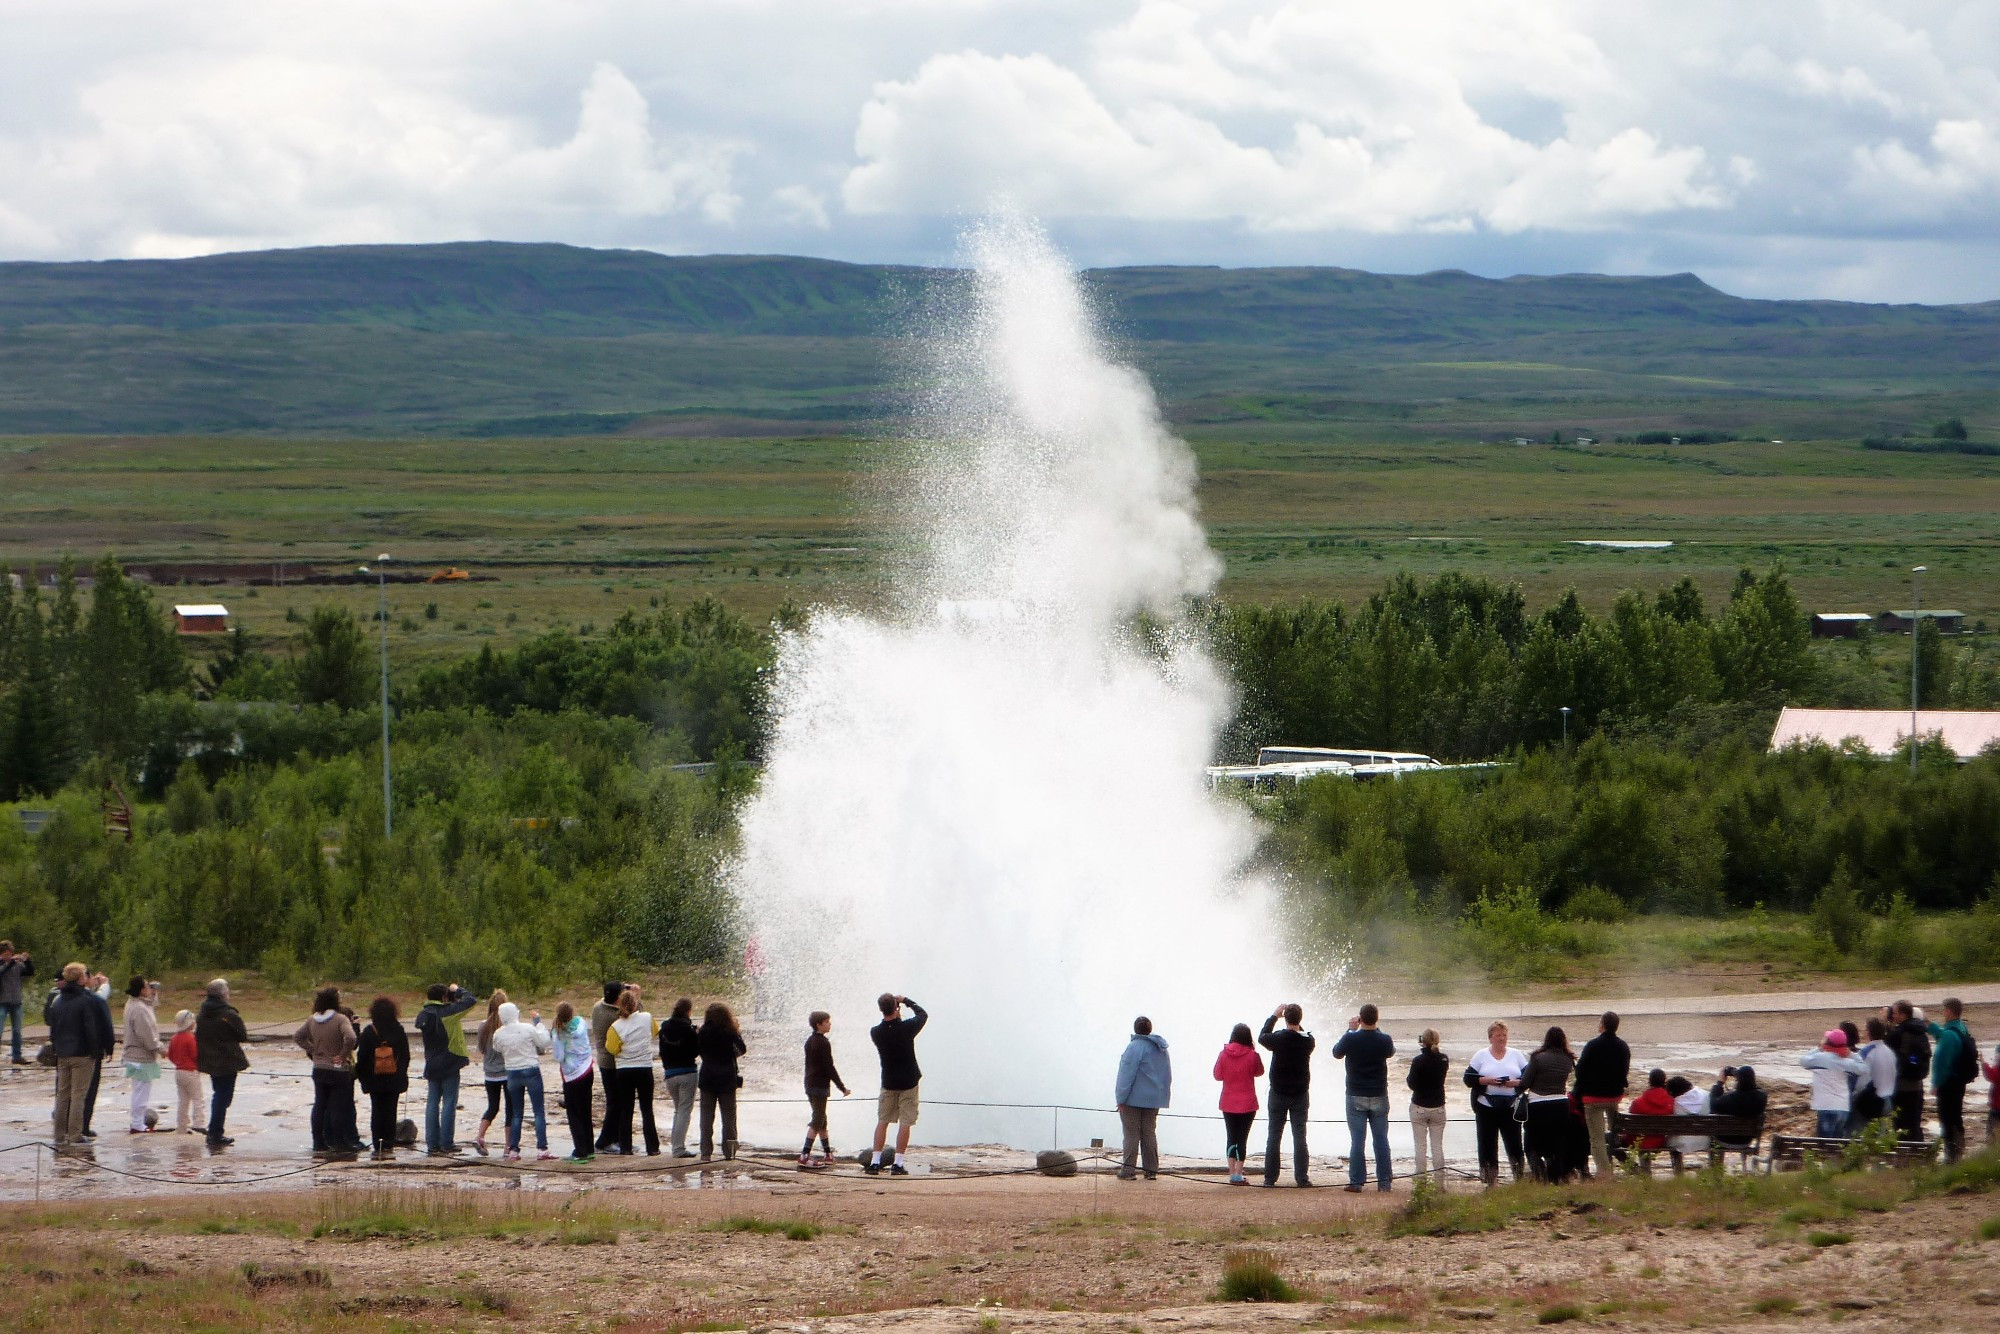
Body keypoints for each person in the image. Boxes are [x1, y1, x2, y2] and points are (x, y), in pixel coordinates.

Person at [47, 963, 114, 1148]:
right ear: (80, 979)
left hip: (62, 1053)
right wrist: (99, 1050)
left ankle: (59, 1133)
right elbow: (90, 1028)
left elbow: (54, 1029)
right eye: (84, 975)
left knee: (62, 1095)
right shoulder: (87, 1000)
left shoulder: (58, 1000)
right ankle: (75, 1134)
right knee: (78, 1095)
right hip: (82, 1054)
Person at [1333, 1003, 1394, 1193]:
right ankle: (1384, 1182)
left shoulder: (1352, 1038)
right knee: (1381, 1139)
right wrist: (1376, 1028)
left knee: (1357, 1140)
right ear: (1377, 1019)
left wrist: (1350, 1030)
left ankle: (1357, 1182)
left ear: (1360, 1019)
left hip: (1355, 1093)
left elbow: (1336, 1053)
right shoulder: (1384, 1039)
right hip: (1378, 1093)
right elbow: (1390, 1052)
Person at [295, 986, 362, 1156]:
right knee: (337, 1106)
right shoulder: (340, 1019)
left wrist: (313, 1050)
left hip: (318, 1068)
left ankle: (318, 1142)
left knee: (319, 1105)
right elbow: (351, 1038)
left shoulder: (312, 1019)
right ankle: (339, 1142)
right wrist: (342, 1055)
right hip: (337, 1069)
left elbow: (298, 1036)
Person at [414, 982, 476, 1156]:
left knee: (432, 1102)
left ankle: (432, 1144)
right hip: (450, 1061)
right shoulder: (448, 1012)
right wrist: (457, 990)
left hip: (431, 1062)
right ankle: (446, 1143)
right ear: (443, 997)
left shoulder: (423, 1014)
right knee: (449, 1102)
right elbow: (471, 1000)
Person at [868, 993, 926, 1176]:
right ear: (897, 1008)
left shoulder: (876, 1032)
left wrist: (897, 1009)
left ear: (880, 1010)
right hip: (909, 1082)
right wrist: (907, 1000)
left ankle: (875, 1162)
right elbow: (923, 1015)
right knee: (905, 1123)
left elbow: (891, 1026)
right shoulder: (906, 1028)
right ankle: (898, 1164)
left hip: (888, 1082)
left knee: (883, 1121)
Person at [1259, 1002, 1315, 1187]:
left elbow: (1262, 1037)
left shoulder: (1278, 1039)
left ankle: (1270, 1178)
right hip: (1300, 1093)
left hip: (1278, 1092)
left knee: (1274, 1135)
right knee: (1300, 1136)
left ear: (1286, 1018)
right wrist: (1297, 1023)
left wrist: (1274, 1016)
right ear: (1300, 1020)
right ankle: (1301, 1178)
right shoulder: (1308, 1041)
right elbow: (1303, 1033)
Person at [492, 1001, 555, 1161]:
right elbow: (544, 1042)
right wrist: (539, 1024)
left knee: (516, 1113)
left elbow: (497, 1048)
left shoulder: (498, 1033)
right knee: (538, 1111)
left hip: (512, 1072)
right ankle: (542, 1148)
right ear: (516, 1013)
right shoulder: (527, 1028)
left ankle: (514, 1150)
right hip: (531, 1069)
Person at [1467, 1021, 1527, 1186]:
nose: (1502, 1038)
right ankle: (1489, 1180)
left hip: (1510, 1106)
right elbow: (1468, 1079)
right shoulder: (1481, 1055)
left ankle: (1519, 1178)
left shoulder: (1516, 1055)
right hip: (1486, 1105)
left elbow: (1528, 1078)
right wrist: (1487, 1080)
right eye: (1498, 1035)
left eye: (1504, 1035)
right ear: (1490, 1038)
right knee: (1487, 1144)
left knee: (1514, 1143)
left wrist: (1514, 1083)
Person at [1573, 1011, 1631, 1178]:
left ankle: (1604, 1172)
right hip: (1614, 1097)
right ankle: (1625, 1163)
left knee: (1597, 1138)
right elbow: (1624, 1071)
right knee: (1614, 1134)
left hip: (1593, 1098)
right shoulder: (1623, 1046)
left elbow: (1580, 1071)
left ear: (1603, 1025)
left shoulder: (1593, 1045)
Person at [1114, 1016, 1172, 1182]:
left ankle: (1128, 1171)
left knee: (1131, 1134)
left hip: (1133, 1099)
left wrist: (1121, 1098)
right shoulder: (1161, 1048)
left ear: (1135, 1029)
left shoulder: (1134, 1047)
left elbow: (1126, 1075)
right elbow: (1166, 1075)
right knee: (1149, 1133)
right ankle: (1151, 1170)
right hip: (1154, 1099)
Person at [355, 995, 411, 1160]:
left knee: (377, 1111)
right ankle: (388, 1145)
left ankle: (377, 1144)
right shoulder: (399, 1030)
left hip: (375, 1080)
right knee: (391, 1112)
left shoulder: (368, 1032)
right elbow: (405, 1056)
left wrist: (364, 1079)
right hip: (394, 1079)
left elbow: (362, 1058)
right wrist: (400, 1072)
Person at [195, 978, 248, 1148]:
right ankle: (215, 1133)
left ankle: (215, 1130)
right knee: (222, 1097)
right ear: (224, 994)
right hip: (226, 1061)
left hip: (210, 1061)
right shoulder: (228, 1015)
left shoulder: (202, 1014)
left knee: (219, 1094)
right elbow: (242, 1035)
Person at [609, 987, 661, 1156]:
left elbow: (612, 1049)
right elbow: (654, 1032)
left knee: (626, 1109)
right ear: (636, 1003)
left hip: (624, 1069)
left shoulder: (615, 1026)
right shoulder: (647, 1018)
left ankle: (625, 1147)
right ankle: (652, 1147)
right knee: (647, 1108)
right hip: (644, 1067)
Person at [1520, 1026, 1576, 1183]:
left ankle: (1539, 1174)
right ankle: (1555, 1178)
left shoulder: (1537, 1058)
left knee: (1531, 1144)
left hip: (1538, 1104)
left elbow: (1525, 1083)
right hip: (1561, 1104)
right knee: (1557, 1144)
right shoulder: (1568, 1059)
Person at [1927, 997, 1977, 1164]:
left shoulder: (1949, 1035)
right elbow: (1944, 1034)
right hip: (1959, 1081)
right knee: (1956, 1115)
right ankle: (1958, 1149)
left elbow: (1941, 1062)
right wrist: (1931, 1026)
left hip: (1948, 1083)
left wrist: (1935, 1084)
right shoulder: (1961, 1028)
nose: (1943, 1012)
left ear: (1949, 1011)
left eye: (1944, 1009)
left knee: (1947, 1119)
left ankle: (1952, 1154)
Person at [1213, 1022, 1264, 1185]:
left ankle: (1230, 1172)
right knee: (1242, 1138)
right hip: (1247, 1103)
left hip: (1228, 1101)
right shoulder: (1252, 1055)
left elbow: (1217, 1075)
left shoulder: (1223, 1054)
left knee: (1231, 1137)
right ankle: (1238, 1173)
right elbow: (1259, 1072)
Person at [801, 1010, 850, 1168]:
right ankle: (804, 1155)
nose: (830, 1024)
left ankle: (828, 1154)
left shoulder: (810, 1041)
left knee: (822, 1120)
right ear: (819, 1024)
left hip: (809, 1083)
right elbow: (829, 1067)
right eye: (827, 1022)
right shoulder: (823, 1043)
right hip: (819, 1085)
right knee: (817, 1120)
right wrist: (842, 1087)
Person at [698, 1000, 747, 1161]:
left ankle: (705, 1152)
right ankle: (730, 1152)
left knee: (706, 1117)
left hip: (707, 1076)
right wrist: (737, 1032)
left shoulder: (703, 1031)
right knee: (729, 1118)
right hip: (727, 1077)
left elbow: (699, 1051)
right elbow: (741, 1050)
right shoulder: (730, 1032)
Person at [551, 1001, 596, 1163]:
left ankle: (580, 1152)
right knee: (585, 1110)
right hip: (587, 1069)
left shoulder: (557, 1033)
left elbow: (559, 1057)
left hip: (572, 1076)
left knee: (574, 1113)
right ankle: (590, 1148)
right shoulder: (581, 1023)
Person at [1801, 1028, 1867, 1139]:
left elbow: (1803, 1060)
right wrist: (1851, 1054)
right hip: (1842, 1106)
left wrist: (1818, 1049)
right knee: (1837, 1141)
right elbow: (1863, 1068)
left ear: (1827, 1044)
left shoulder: (1819, 1058)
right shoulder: (1846, 1063)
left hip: (1824, 1105)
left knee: (1824, 1142)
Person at [1883, 1000, 1931, 1141]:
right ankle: (1919, 1153)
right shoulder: (1920, 1030)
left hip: (1902, 1085)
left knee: (1900, 1124)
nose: (1893, 1015)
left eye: (1895, 1013)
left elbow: (1885, 1043)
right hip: (1917, 1084)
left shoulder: (1900, 1032)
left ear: (1903, 1015)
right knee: (1914, 1122)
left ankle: (1904, 1156)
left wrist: (1887, 1022)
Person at [659, 997, 700, 1158]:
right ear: (688, 1011)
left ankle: (676, 1145)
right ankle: (678, 1148)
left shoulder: (664, 1028)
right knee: (684, 1111)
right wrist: (696, 1034)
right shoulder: (688, 1029)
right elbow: (695, 1052)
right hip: (687, 1072)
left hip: (670, 1074)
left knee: (678, 1110)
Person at [1406, 1028, 1449, 1180]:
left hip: (1419, 1105)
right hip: (1438, 1106)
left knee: (1420, 1147)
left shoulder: (1418, 1060)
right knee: (1437, 1147)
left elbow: (1411, 1084)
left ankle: (1420, 1182)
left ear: (1422, 1042)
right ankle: (1439, 1181)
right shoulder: (1444, 1059)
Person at [122, 977, 163, 1133]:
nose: (149, 988)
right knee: (141, 1092)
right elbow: (146, 1034)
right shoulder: (138, 1009)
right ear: (141, 990)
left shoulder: (136, 1003)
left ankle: (137, 1122)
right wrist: (159, 1048)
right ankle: (137, 1123)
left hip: (137, 1056)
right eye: (147, 986)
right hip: (139, 1057)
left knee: (140, 1090)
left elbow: (151, 1006)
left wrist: (154, 994)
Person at [472, 990, 510, 1156]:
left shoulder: (483, 1026)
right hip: (508, 1072)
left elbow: (481, 1049)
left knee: (492, 1107)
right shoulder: (507, 1027)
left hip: (490, 1073)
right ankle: (509, 1145)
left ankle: (480, 1136)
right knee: (511, 1109)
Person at [590, 981, 625, 1154]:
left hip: (605, 1061)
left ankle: (617, 1138)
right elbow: (634, 1017)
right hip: (611, 1062)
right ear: (617, 997)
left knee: (616, 1101)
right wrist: (637, 998)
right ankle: (605, 1141)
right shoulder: (613, 1015)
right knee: (615, 1103)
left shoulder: (598, 1007)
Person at [1851, 1017, 1896, 1134]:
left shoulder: (1866, 1051)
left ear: (1868, 1032)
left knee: (1858, 1137)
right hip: (1887, 1099)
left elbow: (1861, 1078)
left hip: (1869, 1100)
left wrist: (1854, 1094)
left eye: (1865, 1029)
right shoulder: (1889, 1051)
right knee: (1882, 1138)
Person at [1709, 1066, 1767, 1155]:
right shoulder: (1761, 1097)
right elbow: (1758, 1090)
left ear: (1738, 1080)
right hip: (1746, 1141)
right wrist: (1744, 1077)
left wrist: (1720, 1083)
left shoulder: (1728, 1099)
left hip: (1723, 1140)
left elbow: (1713, 1102)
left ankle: (1715, 1166)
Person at [1626, 1068, 1676, 1163]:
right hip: (1659, 1141)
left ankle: (1634, 1170)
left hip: (1637, 1141)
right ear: (1664, 1081)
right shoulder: (1671, 1102)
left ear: (1649, 1081)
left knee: (1611, 1140)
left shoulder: (1638, 1102)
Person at [167, 1008, 203, 1134]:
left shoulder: (174, 1038)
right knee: (198, 1099)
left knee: (183, 1101)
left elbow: (170, 1055)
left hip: (178, 1072)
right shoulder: (190, 1038)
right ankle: (199, 1123)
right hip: (191, 1071)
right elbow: (195, 1054)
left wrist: (178, 1063)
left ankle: (181, 1125)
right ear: (189, 1023)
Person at [1664, 1075, 1709, 1174]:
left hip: (1681, 1143)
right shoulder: (1706, 1096)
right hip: (1705, 1140)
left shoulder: (1676, 1103)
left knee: (1672, 1140)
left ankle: (1678, 1172)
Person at [0, 940, 33, 1065]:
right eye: (7, 953)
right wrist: (10, 962)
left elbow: (29, 972)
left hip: (16, 1001)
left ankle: (17, 1055)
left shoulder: (17, 965)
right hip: (2, 1001)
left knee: (17, 1030)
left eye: (11, 953)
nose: (10, 955)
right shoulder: (3, 964)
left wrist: (27, 961)